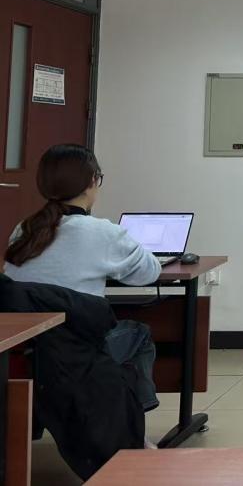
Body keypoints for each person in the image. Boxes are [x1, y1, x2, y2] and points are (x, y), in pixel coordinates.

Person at [5, 144, 162, 414]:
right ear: (92, 181)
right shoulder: (102, 232)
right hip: (79, 353)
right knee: (139, 334)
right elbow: (150, 273)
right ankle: (129, 420)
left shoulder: (24, 230)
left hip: (25, 350)